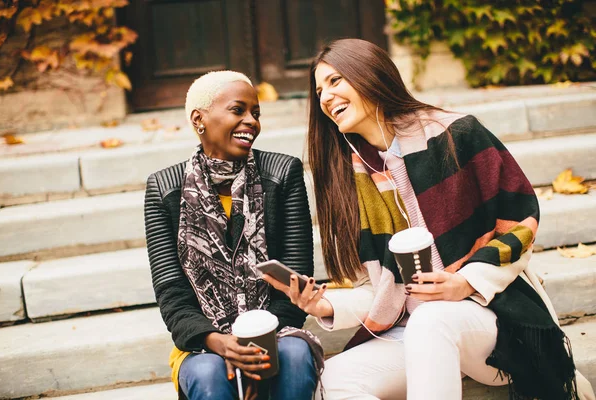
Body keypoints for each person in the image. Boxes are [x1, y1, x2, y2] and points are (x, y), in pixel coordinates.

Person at [263, 38, 595, 400]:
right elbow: (380, 292)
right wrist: (325, 305)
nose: (325, 97)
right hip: (408, 330)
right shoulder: (350, 177)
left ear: (370, 75)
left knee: (431, 318)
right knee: (334, 380)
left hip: (491, 317)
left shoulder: (456, 134)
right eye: (319, 90)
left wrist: (465, 282)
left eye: (336, 81)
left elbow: (519, 222)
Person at [144, 70, 323, 400]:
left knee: (295, 357)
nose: (251, 121)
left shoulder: (283, 173)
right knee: (207, 374)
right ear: (200, 119)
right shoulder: (164, 189)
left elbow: (295, 279)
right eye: (238, 110)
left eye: (255, 113)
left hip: (277, 330)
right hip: (205, 343)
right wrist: (220, 343)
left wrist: (257, 342)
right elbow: (171, 292)